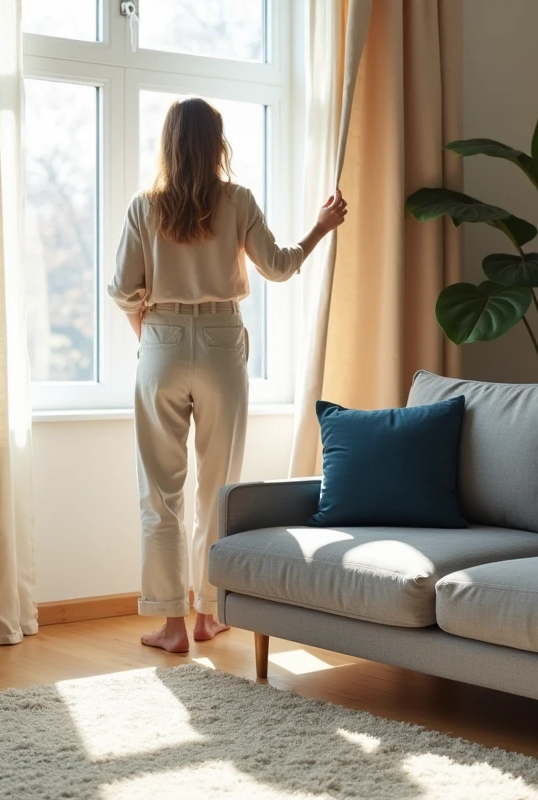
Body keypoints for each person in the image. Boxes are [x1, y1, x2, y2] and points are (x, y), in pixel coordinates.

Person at [108, 97, 347, 653]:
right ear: (218, 143)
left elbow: (122, 289)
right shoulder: (237, 200)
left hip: (161, 340)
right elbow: (279, 266)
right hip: (220, 341)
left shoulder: (145, 207)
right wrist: (320, 227)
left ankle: (170, 626)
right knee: (217, 490)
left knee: (159, 495)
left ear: (168, 143)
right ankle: (208, 614)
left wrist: (150, 335)